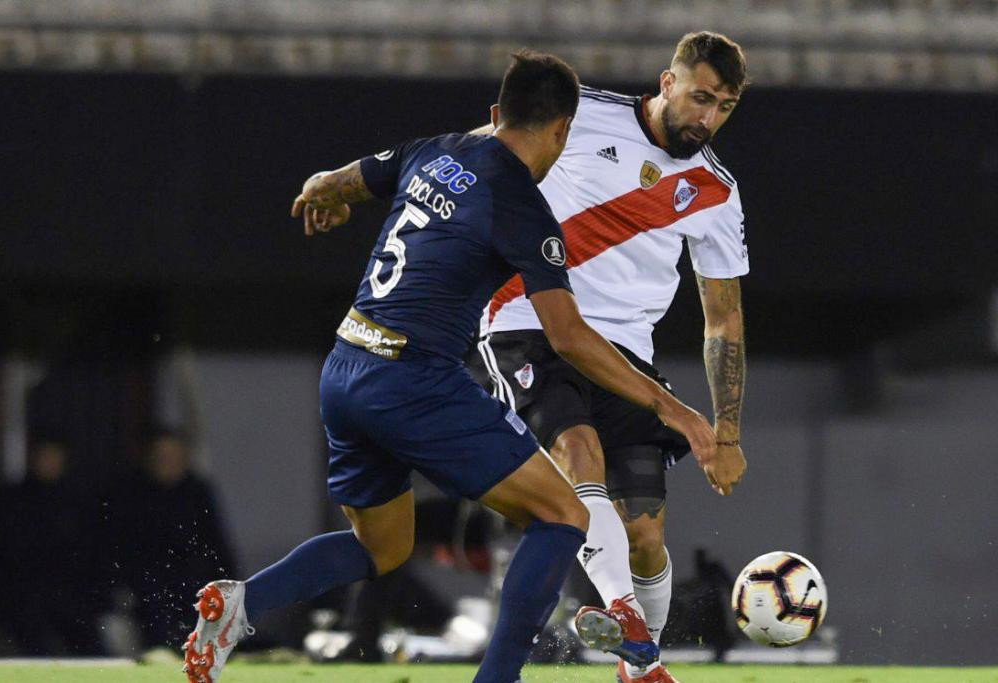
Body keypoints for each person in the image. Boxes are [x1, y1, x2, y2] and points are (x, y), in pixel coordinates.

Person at [180, 50, 715, 683]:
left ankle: (240, 605)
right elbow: (568, 338)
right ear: (563, 131)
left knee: (383, 547)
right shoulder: (522, 207)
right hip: (414, 381)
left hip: (346, 369)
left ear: (495, 114)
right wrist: (671, 406)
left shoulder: (435, 150)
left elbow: (344, 180)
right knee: (565, 515)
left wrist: (324, 189)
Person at [467, 31, 750, 682]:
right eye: (701, 97)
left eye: (725, 107)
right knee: (579, 454)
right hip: (529, 319)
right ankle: (621, 611)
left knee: (647, 533)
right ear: (667, 82)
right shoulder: (581, 112)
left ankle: (636, 663)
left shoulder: (715, 192)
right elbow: (476, 151)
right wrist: (363, 181)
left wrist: (727, 428)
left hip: (626, 354)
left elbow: (723, 317)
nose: (708, 118)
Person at [117, 428, 238, 650]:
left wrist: (231, 589)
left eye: (174, 457)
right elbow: (124, 549)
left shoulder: (198, 494)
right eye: (162, 457)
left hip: (194, 584)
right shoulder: (132, 495)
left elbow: (217, 546)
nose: (168, 463)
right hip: (147, 587)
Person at [0, 438, 102, 655]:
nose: (50, 463)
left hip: (71, 596)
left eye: (55, 457)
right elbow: (0, 554)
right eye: (45, 457)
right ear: (32, 459)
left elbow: (89, 554)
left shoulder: (76, 502)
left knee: (92, 645)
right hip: (22, 596)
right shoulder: (10, 501)